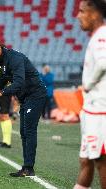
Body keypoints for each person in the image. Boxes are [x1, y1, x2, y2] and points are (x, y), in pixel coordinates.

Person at [0, 38, 47, 177]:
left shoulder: (14, 58)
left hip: (35, 95)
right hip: (25, 97)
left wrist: (4, 92)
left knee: (28, 131)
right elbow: (2, 80)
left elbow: (19, 81)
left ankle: (29, 168)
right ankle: (27, 167)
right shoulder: (2, 60)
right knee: (24, 132)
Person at [74, 1, 106, 188]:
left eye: (82, 11)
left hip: (100, 112)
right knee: (85, 160)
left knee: (101, 161)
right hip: (91, 109)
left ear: (94, 14)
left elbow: (103, 63)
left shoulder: (102, 35)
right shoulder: (96, 36)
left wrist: (88, 84)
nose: (78, 16)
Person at [0, 63, 13, 148]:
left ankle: (7, 142)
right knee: (1, 116)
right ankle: (4, 140)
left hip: (4, 92)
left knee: (5, 115)